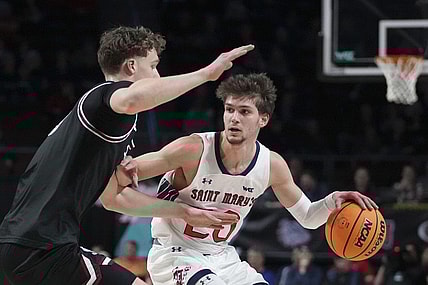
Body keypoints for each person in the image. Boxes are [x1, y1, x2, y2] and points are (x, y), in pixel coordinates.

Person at [0, 25, 253, 285]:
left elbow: (113, 199)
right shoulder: (101, 100)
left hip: (31, 245)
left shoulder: (101, 128)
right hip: (41, 246)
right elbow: (133, 99)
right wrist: (206, 74)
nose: (157, 76)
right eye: (153, 66)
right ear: (132, 67)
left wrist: (184, 212)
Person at [110, 73, 378, 285]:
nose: (233, 119)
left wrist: (333, 201)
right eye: (229, 110)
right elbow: (120, 179)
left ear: (263, 119)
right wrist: (128, 170)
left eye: (244, 112)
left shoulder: (271, 165)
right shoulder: (193, 150)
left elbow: (308, 217)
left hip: (223, 257)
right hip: (175, 255)